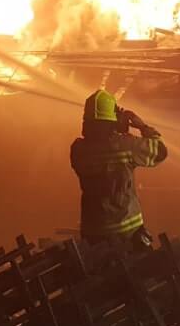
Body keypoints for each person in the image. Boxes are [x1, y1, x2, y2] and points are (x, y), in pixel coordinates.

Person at [70, 89, 168, 251]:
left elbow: (100, 149)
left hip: (93, 234)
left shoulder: (78, 150)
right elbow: (160, 151)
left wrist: (116, 128)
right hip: (127, 233)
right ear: (112, 119)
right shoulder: (126, 146)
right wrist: (142, 126)